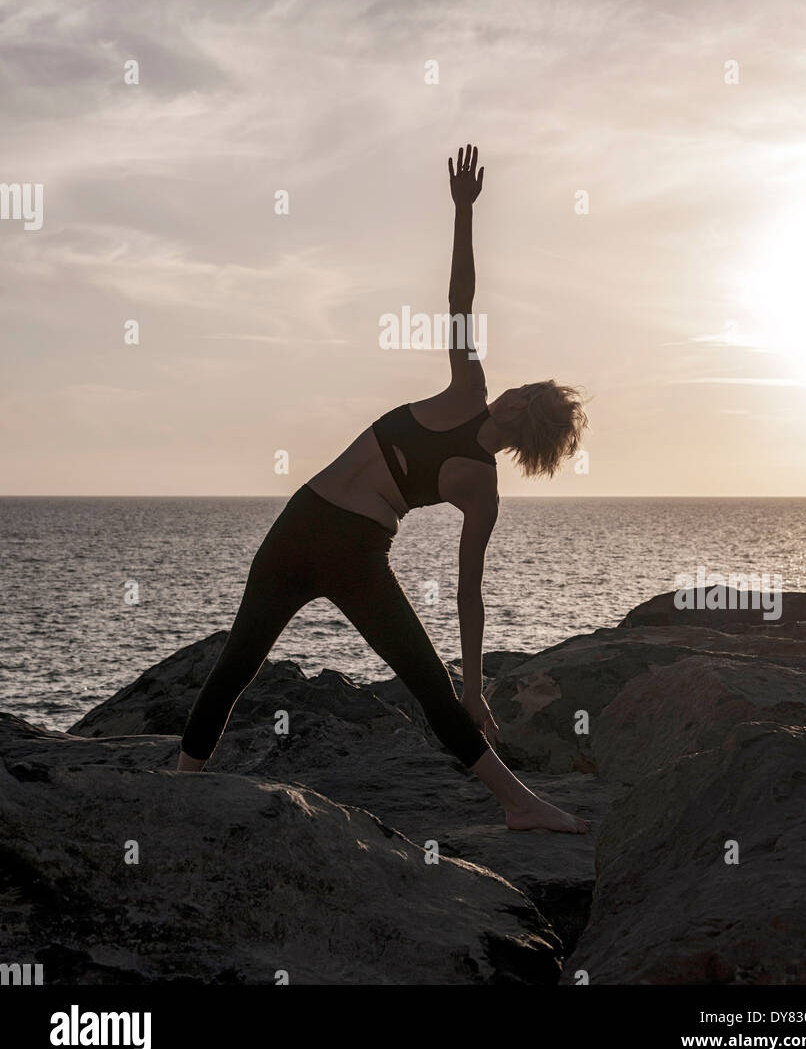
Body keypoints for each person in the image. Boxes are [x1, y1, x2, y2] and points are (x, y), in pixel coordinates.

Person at [177, 146, 591, 833]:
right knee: (424, 685)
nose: (516, 387)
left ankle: (180, 787)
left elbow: (459, 301)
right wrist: (475, 684)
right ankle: (519, 804)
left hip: (307, 524)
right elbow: (468, 592)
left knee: (237, 666)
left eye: (527, 390)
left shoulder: (470, 391)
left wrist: (462, 212)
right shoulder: (483, 488)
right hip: (351, 546)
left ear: (521, 409)